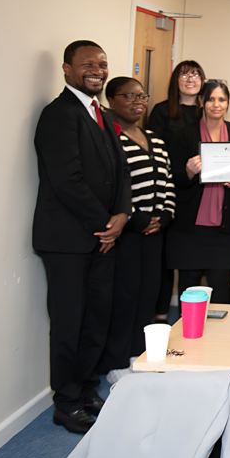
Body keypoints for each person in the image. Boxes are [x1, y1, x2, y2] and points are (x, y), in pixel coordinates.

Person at [33, 40, 131, 433]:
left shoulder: (102, 114)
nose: (97, 70)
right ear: (67, 69)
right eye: (87, 64)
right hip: (67, 241)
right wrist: (106, 224)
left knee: (96, 319)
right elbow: (67, 180)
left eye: (102, 64)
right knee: (69, 322)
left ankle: (88, 388)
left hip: (103, 237)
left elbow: (121, 171)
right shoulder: (58, 114)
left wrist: (122, 214)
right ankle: (66, 401)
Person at [96, 77, 175, 384]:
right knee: (124, 298)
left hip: (155, 233)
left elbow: (167, 180)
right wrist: (135, 219)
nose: (138, 102)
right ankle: (116, 361)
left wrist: (165, 216)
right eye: (129, 96)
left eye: (142, 97)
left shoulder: (154, 138)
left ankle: (138, 357)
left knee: (148, 296)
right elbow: (112, 188)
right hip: (127, 234)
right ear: (111, 101)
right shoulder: (109, 139)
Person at [166, 80, 230, 305]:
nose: (216, 104)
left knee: (221, 293)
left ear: (228, 103)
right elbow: (172, 177)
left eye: (222, 99)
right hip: (190, 231)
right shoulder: (186, 134)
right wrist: (187, 171)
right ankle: (188, 337)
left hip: (224, 231)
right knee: (189, 292)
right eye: (211, 99)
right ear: (202, 102)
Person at [147, 59, 204, 322]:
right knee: (166, 261)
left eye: (195, 75)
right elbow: (154, 153)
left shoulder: (207, 113)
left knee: (193, 263)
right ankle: (160, 317)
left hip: (201, 194)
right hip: (170, 194)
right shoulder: (161, 111)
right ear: (175, 81)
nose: (190, 80)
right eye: (184, 75)